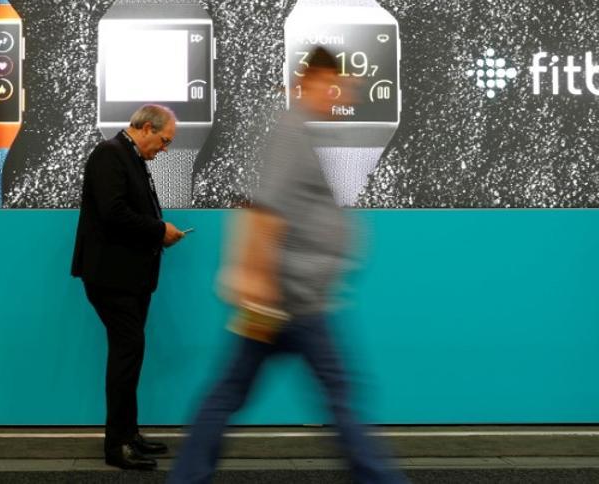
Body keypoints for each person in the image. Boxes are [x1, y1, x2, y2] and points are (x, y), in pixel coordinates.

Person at [167, 47, 408, 483]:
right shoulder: (289, 132)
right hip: (289, 300)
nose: (340, 97)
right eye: (335, 87)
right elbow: (262, 209)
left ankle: (187, 476)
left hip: (290, 298)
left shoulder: (300, 134)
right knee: (338, 393)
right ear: (312, 81)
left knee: (233, 392)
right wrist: (252, 279)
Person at [72, 104, 188, 470]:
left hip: (130, 278)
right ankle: (116, 446)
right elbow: (114, 212)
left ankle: (129, 435)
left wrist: (158, 232)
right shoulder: (110, 155)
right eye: (165, 140)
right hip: (112, 279)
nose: (165, 149)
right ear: (146, 128)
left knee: (130, 355)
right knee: (126, 356)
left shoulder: (130, 156)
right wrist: (159, 230)